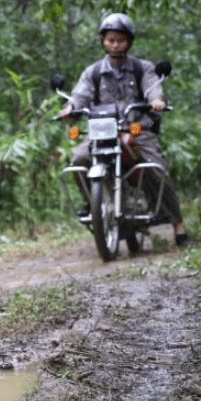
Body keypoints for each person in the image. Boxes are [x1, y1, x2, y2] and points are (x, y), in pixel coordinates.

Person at [59, 13, 188, 246]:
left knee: (155, 168)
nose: (115, 44)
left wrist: (156, 100)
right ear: (103, 41)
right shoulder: (94, 72)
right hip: (103, 131)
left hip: (136, 128)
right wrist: (70, 107)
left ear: (129, 42)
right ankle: (93, 202)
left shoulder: (142, 68)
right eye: (110, 39)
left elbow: (153, 89)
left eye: (120, 40)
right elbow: (80, 94)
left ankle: (177, 223)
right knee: (78, 158)